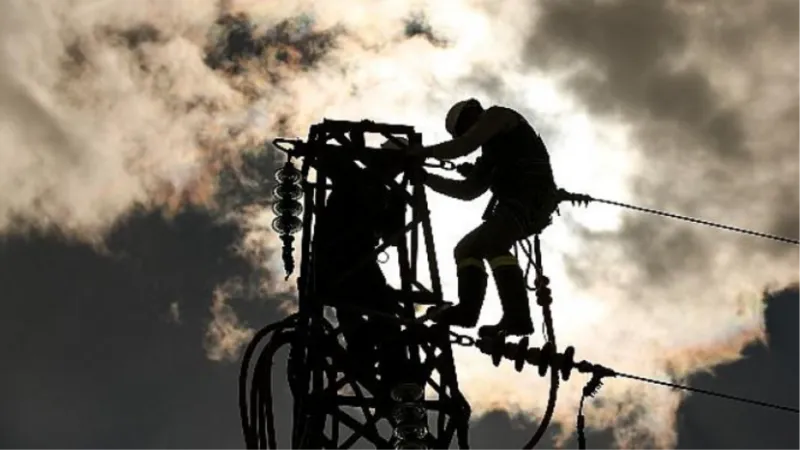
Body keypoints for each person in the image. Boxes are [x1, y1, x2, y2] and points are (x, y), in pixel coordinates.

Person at [407, 98, 559, 337]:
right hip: (520, 204)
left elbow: (465, 145)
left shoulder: (500, 116)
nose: (469, 132)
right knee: (466, 250)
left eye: (466, 128)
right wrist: (426, 179)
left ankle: (517, 317)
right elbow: (468, 191)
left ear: (473, 113)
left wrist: (422, 154)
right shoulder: (490, 154)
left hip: (531, 198)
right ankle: (468, 312)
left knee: (492, 243)